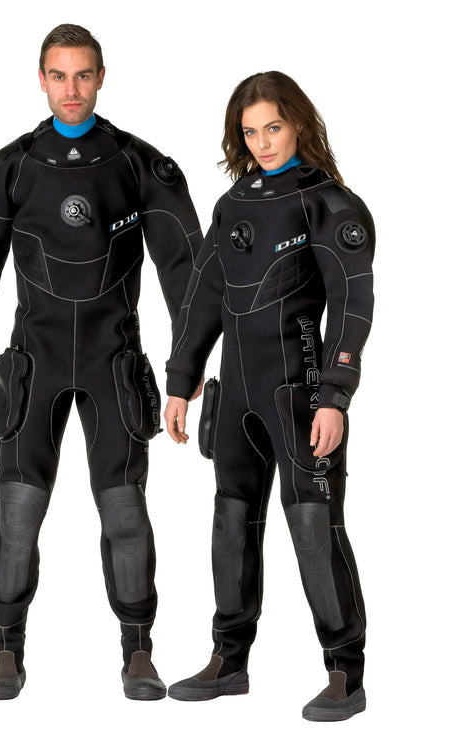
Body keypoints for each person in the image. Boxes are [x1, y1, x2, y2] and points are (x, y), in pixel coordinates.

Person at [0, 23, 202, 701]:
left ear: (102, 77)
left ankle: (138, 651)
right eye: (58, 75)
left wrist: (189, 360)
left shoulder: (139, 165)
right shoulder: (11, 168)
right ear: (41, 79)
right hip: (37, 362)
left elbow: (184, 265)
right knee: (18, 510)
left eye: (83, 74)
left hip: (116, 364)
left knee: (125, 512)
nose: (71, 89)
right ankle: (6, 652)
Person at [163, 71, 374, 721]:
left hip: (300, 394)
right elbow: (202, 297)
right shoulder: (233, 205)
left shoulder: (329, 204)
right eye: (250, 131)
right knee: (231, 522)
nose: (262, 142)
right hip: (236, 398)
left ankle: (345, 673)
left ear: (299, 123)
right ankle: (229, 662)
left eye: (273, 127)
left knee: (313, 525)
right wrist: (180, 382)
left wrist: (335, 395)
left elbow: (353, 304)